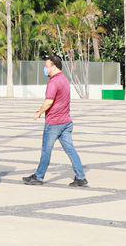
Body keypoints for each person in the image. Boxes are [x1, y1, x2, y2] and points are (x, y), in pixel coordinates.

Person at [25, 54, 87, 186]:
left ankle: (39, 177)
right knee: (71, 150)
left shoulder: (53, 82)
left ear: (53, 67)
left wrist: (39, 113)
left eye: (47, 66)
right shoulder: (64, 79)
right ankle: (81, 177)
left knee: (46, 151)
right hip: (66, 122)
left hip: (54, 123)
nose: (45, 69)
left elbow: (48, 102)